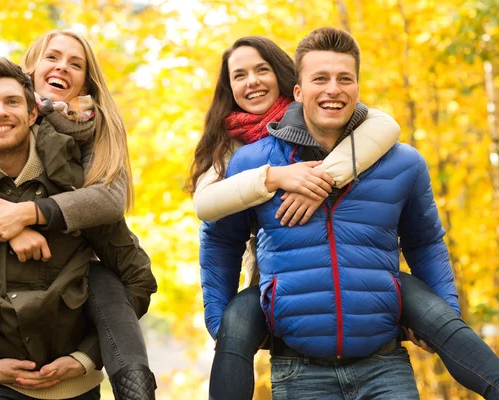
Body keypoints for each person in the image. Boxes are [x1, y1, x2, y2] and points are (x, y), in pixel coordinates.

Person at [197, 29, 499, 400]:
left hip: (384, 365)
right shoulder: (251, 161)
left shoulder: (403, 162)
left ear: (358, 87)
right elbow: (220, 242)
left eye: (344, 79)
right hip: (298, 369)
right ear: (298, 90)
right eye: (320, 79)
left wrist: (443, 313)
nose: (332, 90)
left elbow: (425, 243)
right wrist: (217, 320)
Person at [0, 55, 156, 400]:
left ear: (33, 113)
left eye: (12, 102)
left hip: (75, 385)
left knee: (104, 278)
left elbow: (137, 279)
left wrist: (85, 358)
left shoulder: (76, 190)